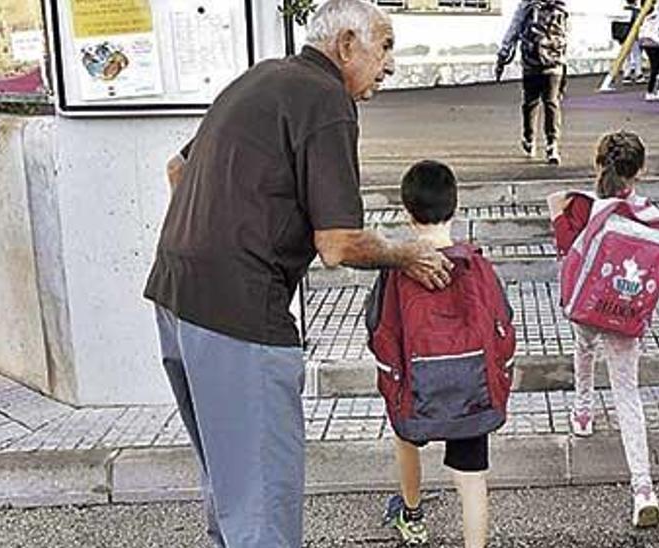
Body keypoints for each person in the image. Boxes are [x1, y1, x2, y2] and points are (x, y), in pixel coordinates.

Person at [143, 1, 453, 546]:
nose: (391, 65)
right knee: (263, 499)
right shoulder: (326, 100)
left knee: (229, 481)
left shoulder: (262, 77)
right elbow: (337, 244)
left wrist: (213, 240)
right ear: (346, 45)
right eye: (385, 46)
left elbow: (178, 169)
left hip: (174, 294)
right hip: (238, 313)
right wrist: (408, 254)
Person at [548, 131, 659, 528]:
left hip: (586, 308)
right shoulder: (650, 216)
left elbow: (567, 252)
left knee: (583, 349)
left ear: (598, 165)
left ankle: (582, 412)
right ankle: (643, 489)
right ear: (642, 171)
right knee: (628, 395)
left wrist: (556, 215)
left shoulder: (588, 210)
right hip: (625, 316)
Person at [382, 160, 495, 548]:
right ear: (456, 208)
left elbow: (379, 330)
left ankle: (412, 517)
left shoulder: (396, 270)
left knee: (405, 438)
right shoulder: (478, 265)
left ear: (406, 214)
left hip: (415, 385)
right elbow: (503, 322)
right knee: (472, 478)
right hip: (472, 385)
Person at [498, 0, 570, 165]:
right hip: (552, 63)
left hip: (538, 63)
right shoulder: (557, 6)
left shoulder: (530, 6)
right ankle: (544, 142)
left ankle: (538, 141)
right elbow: (566, 36)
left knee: (537, 103)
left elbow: (513, 29)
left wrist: (503, 54)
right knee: (546, 103)